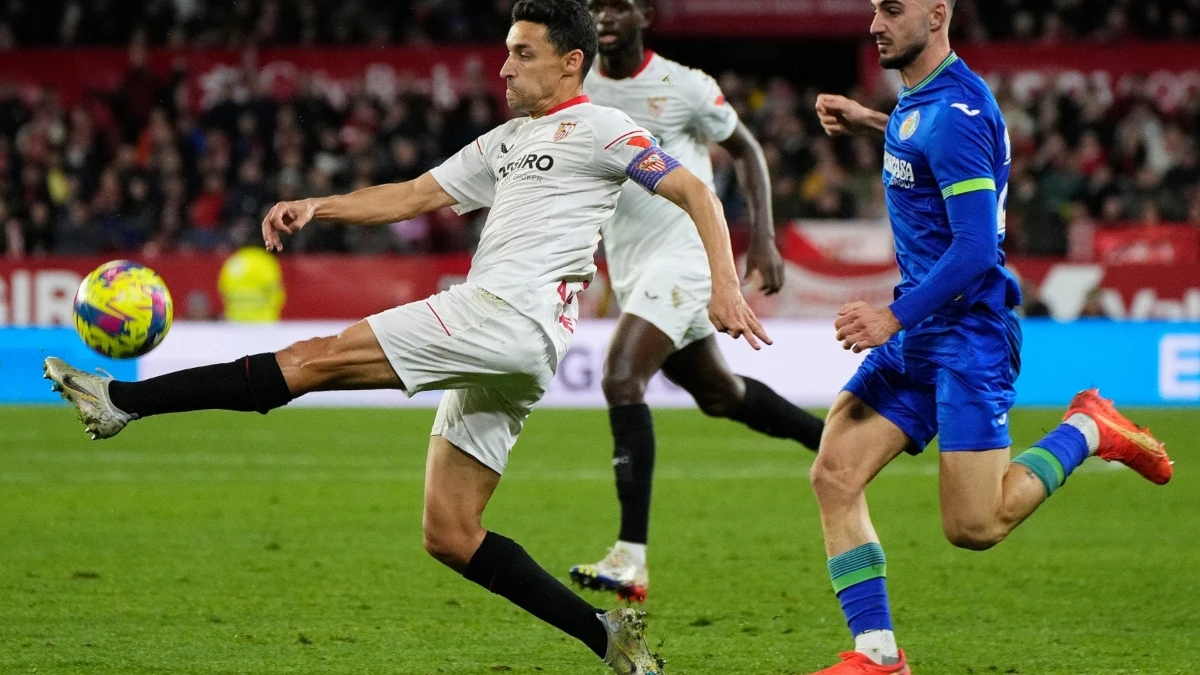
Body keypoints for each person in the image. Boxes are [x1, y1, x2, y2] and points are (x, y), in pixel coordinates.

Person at [43, 2, 770, 673]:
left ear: (570, 62)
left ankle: (121, 401)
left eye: (522, 53)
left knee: (310, 361)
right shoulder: (508, 141)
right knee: (451, 532)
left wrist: (724, 284)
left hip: (504, 315)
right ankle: (608, 637)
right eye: (505, 53)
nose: (504, 67)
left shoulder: (605, 127)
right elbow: (417, 194)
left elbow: (697, 192)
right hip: (519, 348)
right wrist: (316, 206)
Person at [808, 0, 1173, 673]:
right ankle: (878, 655)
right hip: (922, 328)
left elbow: (976, 246)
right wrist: (875, 126)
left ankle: (1089, 428)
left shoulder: (957, 112)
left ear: (937, 14)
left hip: (965, 334)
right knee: (834, 473)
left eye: (892, 8)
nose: (875, 23)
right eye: (871, 8)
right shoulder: (926, 105)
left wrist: (892, 316)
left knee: (975, 524)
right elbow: (928, 145)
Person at [567, 0, 826, 604]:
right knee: (721, 395)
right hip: (631, 266)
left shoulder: (683, 87)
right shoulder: (577, 85)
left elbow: (748, 151)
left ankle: (630, 559)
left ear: (645, 16)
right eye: (596, 6)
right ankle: (835, 442)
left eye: (620, 7)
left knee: (621, 377)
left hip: (684, 256)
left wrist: (760, 237)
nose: (605, 17)